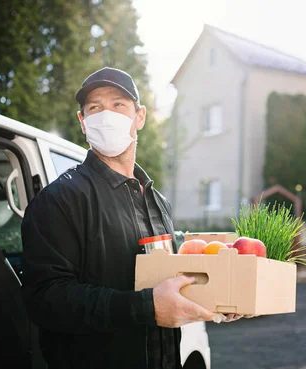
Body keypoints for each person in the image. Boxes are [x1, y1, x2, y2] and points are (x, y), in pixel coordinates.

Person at [21, 67, 244, 369]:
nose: (105, 115)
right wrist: (146, 307)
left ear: (140, 117)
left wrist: (221, 299)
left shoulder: (157, 201)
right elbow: (46, 300)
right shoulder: (59, 200)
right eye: (94, 108)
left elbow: (170, 278)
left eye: (118, 105)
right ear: (82, 122)